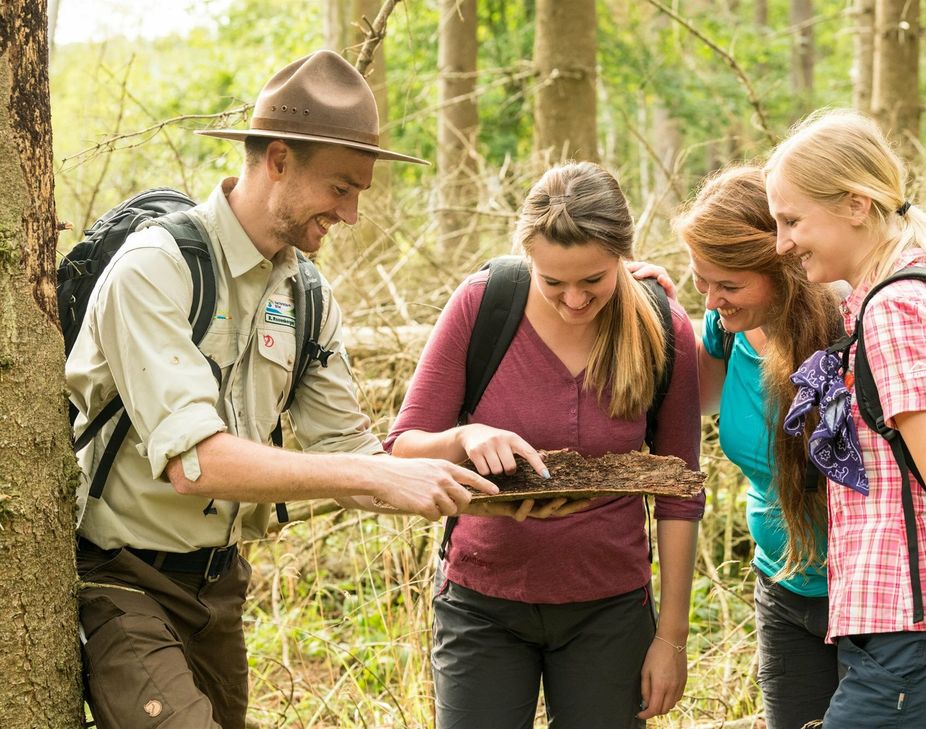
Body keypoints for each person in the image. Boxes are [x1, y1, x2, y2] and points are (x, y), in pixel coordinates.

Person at [67, 50, 496, 729]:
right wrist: (368, 475)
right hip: (119, 578)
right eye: (340, 188)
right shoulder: (156, 269)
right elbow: (196, 462)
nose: (351, 213)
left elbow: (353, 453)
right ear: (276, 159)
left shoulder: (306, 295)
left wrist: (463, 454)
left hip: (218, 584)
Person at [385, 161, 704, 729]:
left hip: (610, 610)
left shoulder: (662, 325)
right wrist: (465, 436)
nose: (575, 300)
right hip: (482, 603)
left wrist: (671, 638)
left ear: (624, 259)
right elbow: (402, 450)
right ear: (527, 256)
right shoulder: (483, 305)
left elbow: (679, 491)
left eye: (594, 280)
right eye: (553, 282)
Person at [765, 108, 926, 729]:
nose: (782, 243)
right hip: (899, 640)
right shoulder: (893, 295)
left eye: (792, 220)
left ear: (854, 205)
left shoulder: (897, 312)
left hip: (916, 642)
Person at [672, 166, 844, 729]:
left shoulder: (851, 327)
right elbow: (686, 401)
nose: (714, 298)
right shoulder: (728, 326)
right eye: (702, 281)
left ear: (783, 268)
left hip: (870, 599)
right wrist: (650, 309)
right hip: (782, 587)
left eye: (729, 284)